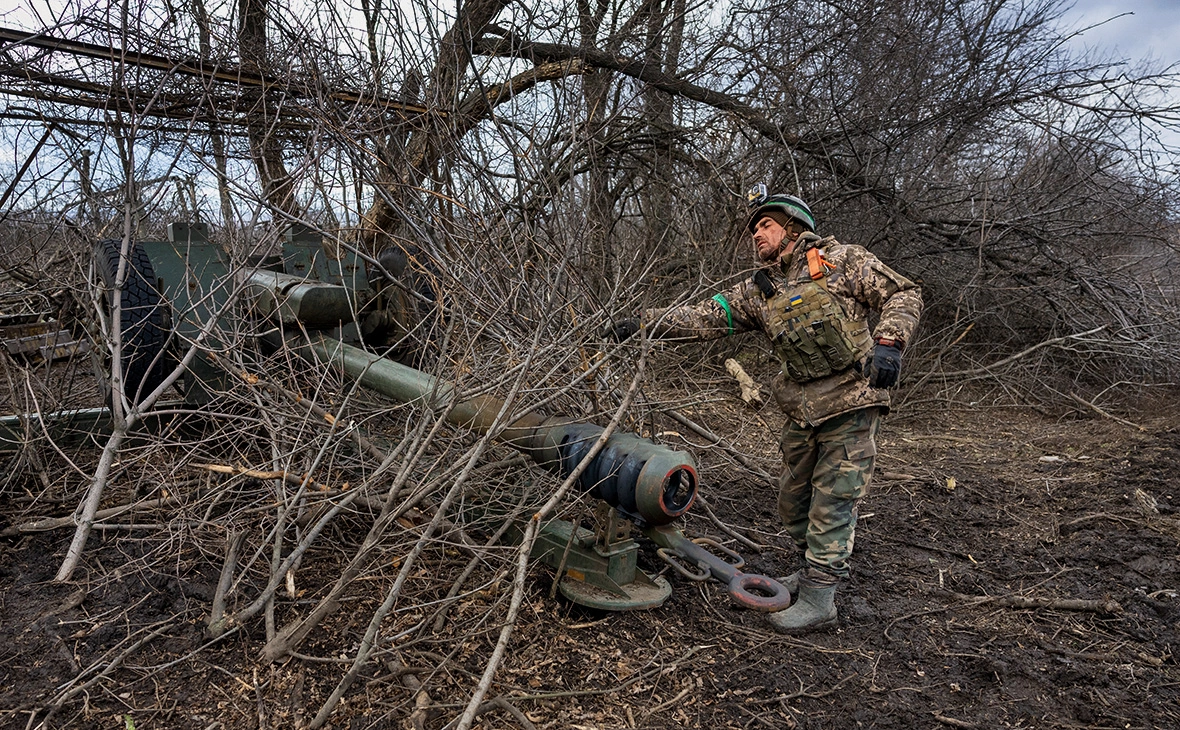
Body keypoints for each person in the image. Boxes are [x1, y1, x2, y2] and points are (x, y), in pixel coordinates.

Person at [606, 187, 922, 633]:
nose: (756, 234)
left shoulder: (843, 261)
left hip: (852, 402)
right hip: (802, 410)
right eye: (753, 228)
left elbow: (904, 293)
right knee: (793, 502)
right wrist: (641, 324)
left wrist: (890, 343)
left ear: (793, 226)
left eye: (765, 225)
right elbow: (701, 318)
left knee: (833, 502)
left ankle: (820, 598)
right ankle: (808, 569)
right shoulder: (761, 290)